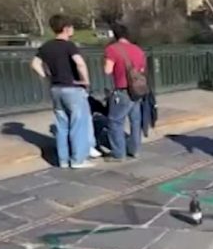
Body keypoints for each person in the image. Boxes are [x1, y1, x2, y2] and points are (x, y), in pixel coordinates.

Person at [30, 15, 94, 169]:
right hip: (72, 88)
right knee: (78, 124)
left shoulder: (46, 46)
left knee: (61, 125)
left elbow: (34, 63)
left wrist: (46, 75)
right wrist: (85, 80)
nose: (73, 29)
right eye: (71, 27)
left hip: (55, 88)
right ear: (66, 28)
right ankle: (78, 159)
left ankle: (63, 160)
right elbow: (79, 63)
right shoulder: (69, 46)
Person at [103, 22, 146, 161]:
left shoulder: (112, 49)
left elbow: (107, 70)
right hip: (137, 90)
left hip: (122, 90)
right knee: (135, 121)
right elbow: (141, 71)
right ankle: (135, 150)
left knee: (115, 121)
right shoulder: (138, 50)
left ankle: (118, 153)